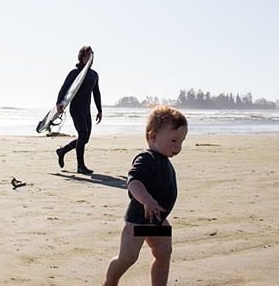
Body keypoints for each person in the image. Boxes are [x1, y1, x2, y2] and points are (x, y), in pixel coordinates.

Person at [103, 106, 188, 286]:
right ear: (154, 137)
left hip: (157, 219)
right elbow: (133, 181)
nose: (178, 146)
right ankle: (109, 282)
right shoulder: (146, 158)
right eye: (173, 140)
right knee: (127, 258)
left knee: (164, 253)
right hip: (138, 221)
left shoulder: (162, 158)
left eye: (181, 141)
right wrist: (147, 200)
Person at [55, 45, 102, 174]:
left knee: (85, 139)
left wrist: (99, 109)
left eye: (93, 54)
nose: (92, 56)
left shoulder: (93, 75)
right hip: (76, 108)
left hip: (87, 109)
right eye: (89, 54)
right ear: (82, 56)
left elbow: (96, 92)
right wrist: (58, 103)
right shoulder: (75, 73)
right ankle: (80, 166)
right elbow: (65, 88)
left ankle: (62, 150)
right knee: (82, 133)